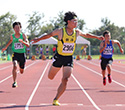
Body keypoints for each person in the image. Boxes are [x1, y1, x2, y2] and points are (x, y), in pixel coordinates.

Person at [32, 11, 104, 106]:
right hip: (59, 57)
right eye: (74, 21)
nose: (76, 23)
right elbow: (49, 35)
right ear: (69, 21)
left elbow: (86, 35)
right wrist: (38, 39)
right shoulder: (60, 31)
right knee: (50, 77)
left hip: (68, 58)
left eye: (77, 21)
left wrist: (97, 37)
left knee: (65, 79)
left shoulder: (76, 32)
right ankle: (52, 69)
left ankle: (56, 99)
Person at [2, 22, 30, 88]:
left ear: (20, 28)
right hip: (15, 53)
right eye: (16, 28)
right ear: (13, 29)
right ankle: (14, 82)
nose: (17, 29)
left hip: (22, 54)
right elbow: (10, 40)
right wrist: (5, 47)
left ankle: (22, 67)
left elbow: (28, 44)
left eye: (18, 28)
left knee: (21, 71)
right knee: (14, 66)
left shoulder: (23, 35)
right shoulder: (12, 36)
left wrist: (22, 42)